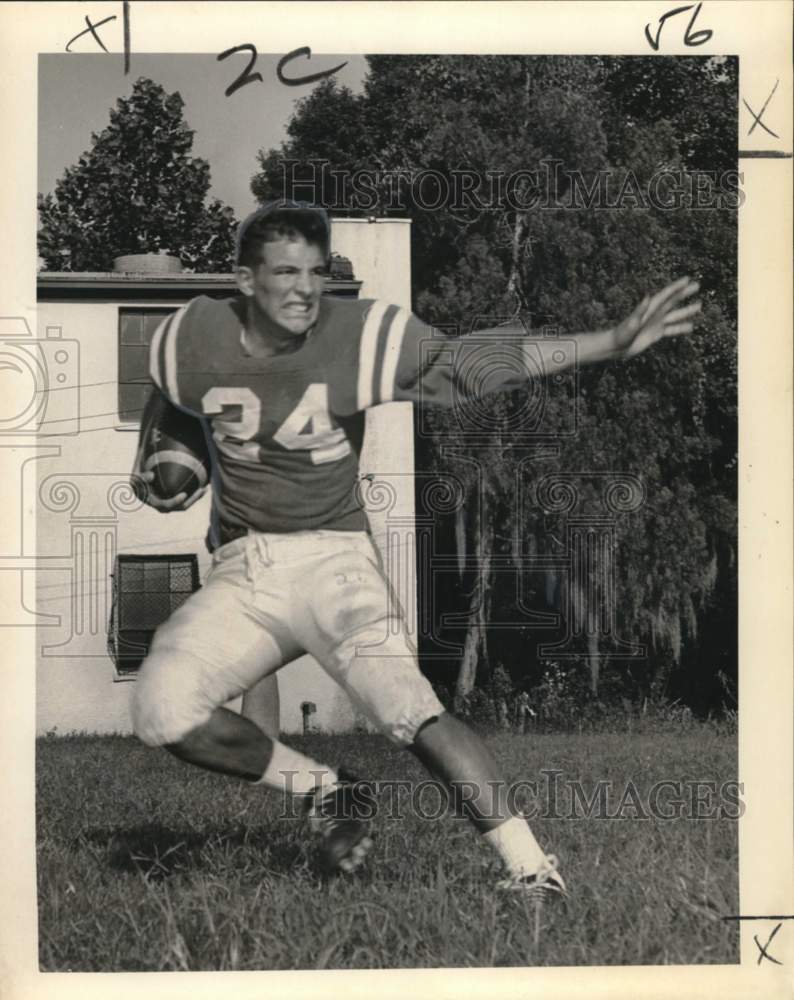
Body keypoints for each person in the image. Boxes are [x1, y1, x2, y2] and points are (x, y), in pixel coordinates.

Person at [131, 201, 700, 898]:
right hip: (244, 565)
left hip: (332, 559)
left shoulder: (358, 333)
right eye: (285, 271)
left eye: (316, 271)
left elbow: (473, 364)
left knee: (408, 706)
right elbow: (169, 390)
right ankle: (323, 790)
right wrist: (161, 453)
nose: (306, 289)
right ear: (244, 280)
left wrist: (608, 340)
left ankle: (530, 869)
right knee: (163, 709)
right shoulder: (189, 333)